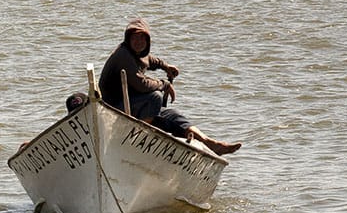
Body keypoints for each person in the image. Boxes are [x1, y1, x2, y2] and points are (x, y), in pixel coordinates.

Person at [98, 17, 241, 156]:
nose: (138, 42)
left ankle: (210, 143)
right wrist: (163, 85)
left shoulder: (138, 54)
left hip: (134, 105)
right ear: (128, 39)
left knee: (172, 115)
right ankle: (137, 137)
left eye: (142, 38)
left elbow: (150, 60)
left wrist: (165, 66)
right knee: (154, 98)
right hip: (114, 108)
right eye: (134, 38)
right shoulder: (123, 54)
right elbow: (142, 85)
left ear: (148, 41)